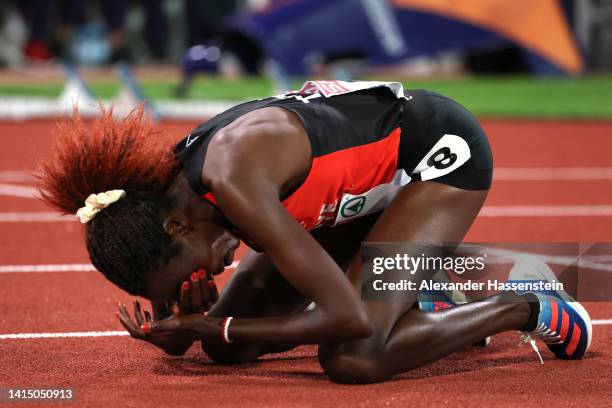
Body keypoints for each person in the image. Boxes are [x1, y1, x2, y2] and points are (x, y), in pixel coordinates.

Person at [37, 80, 591, 383]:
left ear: (177, 226)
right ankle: (416, 292)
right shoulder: (177, 200)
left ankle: (527, 303)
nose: (208, 275)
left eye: (191, 272)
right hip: (352, 202)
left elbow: (344, 321)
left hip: (434, 161)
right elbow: (213, 324)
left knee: (354, 357)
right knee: (229, 351)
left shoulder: (236, 180)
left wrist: (214, 323)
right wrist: (181, 329)